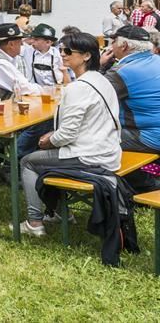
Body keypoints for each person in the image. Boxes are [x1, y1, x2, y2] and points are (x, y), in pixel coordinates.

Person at [18, 32, 122, 237]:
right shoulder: (100, 79)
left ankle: (34, 222)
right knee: (47, 157)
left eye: (68, 51)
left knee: (28, 161)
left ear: (86, 56)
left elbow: (66, 134)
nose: (63, 55)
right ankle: (57, 211)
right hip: (107, 149)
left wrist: (48, 140)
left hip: (89, 155)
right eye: (61, 50)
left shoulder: (77, 88)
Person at [15, 24, 72, 159]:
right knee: (35, 125)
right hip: (34, 96)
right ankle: (20, 154)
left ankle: (24, 154)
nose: (33, 41)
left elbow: (68, 81)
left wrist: (63, 73)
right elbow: (13, 49)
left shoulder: (59, 54)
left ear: (48, 42)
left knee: (44, 124)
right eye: (33, 39)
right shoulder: (28, 51)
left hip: (55, 96)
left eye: (37, 39)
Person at [104, 25, 160, 154]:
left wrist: (101, 67)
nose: (111, 46)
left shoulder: (121, 72)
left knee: (89, 139)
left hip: (150, 137)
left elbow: (93, 96)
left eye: (113, 42)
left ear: (124, 46)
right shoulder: (157, 59)